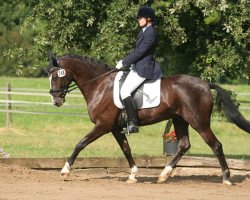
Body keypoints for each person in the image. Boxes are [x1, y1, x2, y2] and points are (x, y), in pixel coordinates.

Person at [116, 6, 162, 134]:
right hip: (137, 66)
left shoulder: (150, 33)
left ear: (148, 19)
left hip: (144, 68)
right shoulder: (143, 31)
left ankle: (133, 123)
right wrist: (126, 62)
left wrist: (124, 62)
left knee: (125, 91)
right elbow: (136, 52)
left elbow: (140, 52)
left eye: (140, 18)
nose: (138, 20)